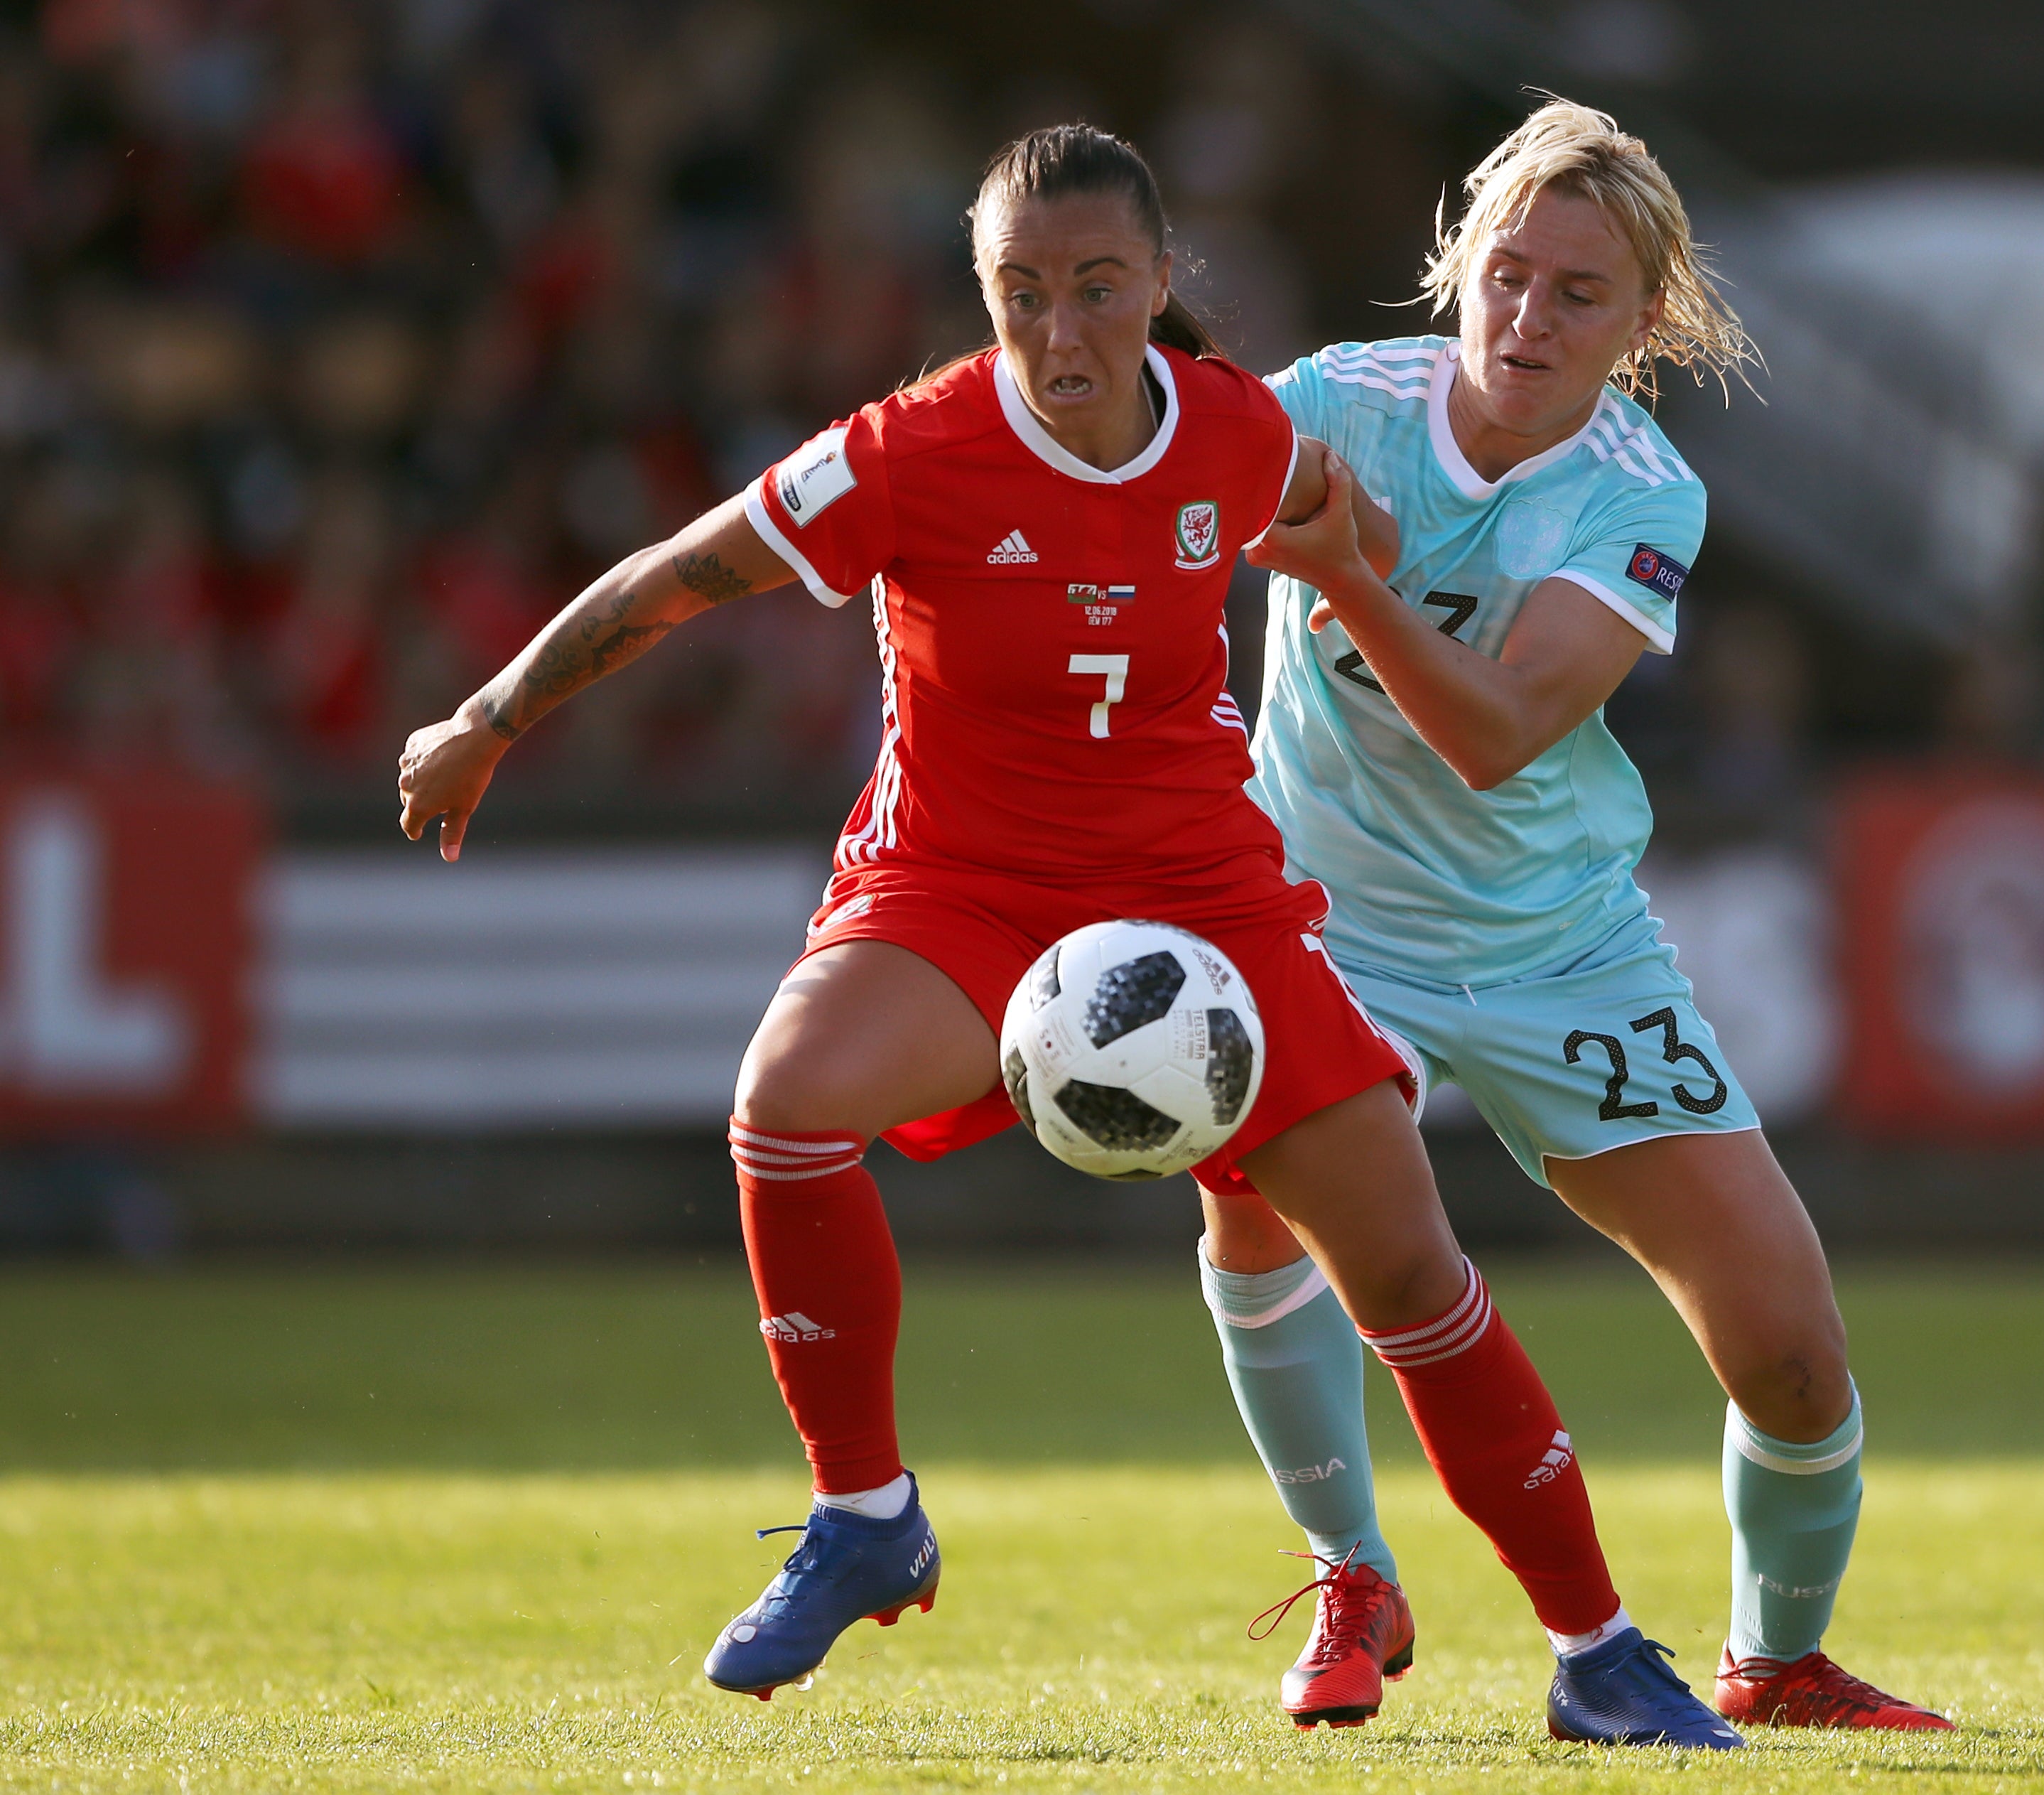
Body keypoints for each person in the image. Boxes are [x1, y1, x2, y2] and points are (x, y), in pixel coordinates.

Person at [396, 124, 1740, 1750]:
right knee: (786, 1103)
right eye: (1019, 292)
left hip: (1204, 894)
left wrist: (1374, 631)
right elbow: (685, 575)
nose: (1060, 335)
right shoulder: (911, 450)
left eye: (1098, 289)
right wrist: (491, 710)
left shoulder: (1243, 435)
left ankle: (1596, 1650)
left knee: (1409, 1271)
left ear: (1162, 285)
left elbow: (1347, 540)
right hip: (959, 882)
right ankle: (864, 1515)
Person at [1198, 99, 1952, 1732]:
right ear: (1457, 268)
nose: (1529, 317)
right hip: (1322, 926)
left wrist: (1342, 576)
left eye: (1580, 294)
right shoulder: (1328, 402)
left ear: (1646, 325)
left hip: (1559, 945)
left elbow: (1495, 733)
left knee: (1794, 1356)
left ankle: (1779, 1660)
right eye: (1508, 275)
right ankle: (1350, 1575)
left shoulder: (1641, 494)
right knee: (1257, 1206)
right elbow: (1145, 521)